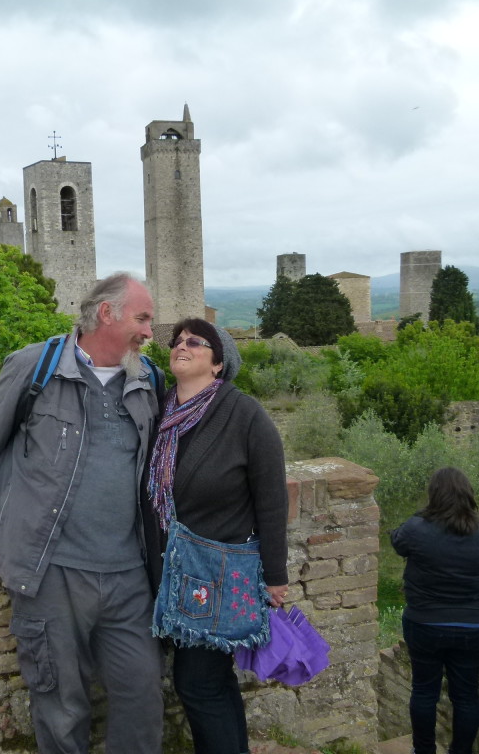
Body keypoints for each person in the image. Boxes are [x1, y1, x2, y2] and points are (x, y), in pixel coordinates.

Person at [0, 273, 164, 754]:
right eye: (143, 318)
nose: (150, 332)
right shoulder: (38, 366)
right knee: (60, 702)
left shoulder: (148, 379)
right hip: (51, 570)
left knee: (142, 695)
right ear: (107, 314)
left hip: (129, 574)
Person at [143, 317, 289, 754]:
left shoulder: (244, 414)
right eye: (177, 341)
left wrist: (275, 576)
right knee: (208, 681)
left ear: (219, 365)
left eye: (195, 342)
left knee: (199, 683)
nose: (181, 346)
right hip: (165, 569)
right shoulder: (159, 410)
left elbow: (272, 499)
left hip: (217, 574)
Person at [390, 467, 479, 754]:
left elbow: (397, 541)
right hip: (472, 627)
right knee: (466, 696)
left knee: (424, 691)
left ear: (433, 495)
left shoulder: (416, 529)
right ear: (468, 496)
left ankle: (423, 751)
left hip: (424, 624)